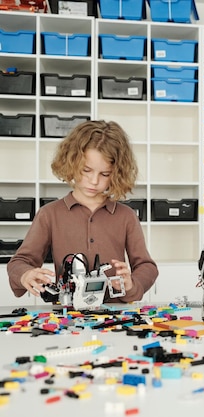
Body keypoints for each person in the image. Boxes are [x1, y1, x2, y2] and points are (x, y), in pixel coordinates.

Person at [8, 120, 158, 303]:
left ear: (117, 173)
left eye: (104, 174)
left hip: (116, 316)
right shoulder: (49, 214)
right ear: (71, 162)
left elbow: (146, 266)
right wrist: (25, 274)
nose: (94, 181)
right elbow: (19, 262)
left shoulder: (126, 216)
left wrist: (132, 284)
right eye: (86, 170)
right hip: (66, 316)